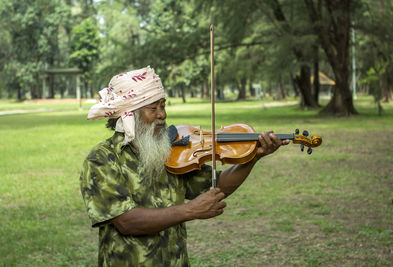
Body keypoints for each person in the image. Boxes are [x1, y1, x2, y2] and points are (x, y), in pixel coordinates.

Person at [80, 66, 289, 266]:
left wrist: (253, 157)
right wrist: (189, 210)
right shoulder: (102, 159)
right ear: (129, 115)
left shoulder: (171, 151)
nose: (162, 115)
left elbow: (217, 186)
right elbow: (126, 222)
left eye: (163, 106)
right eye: (153, 108)